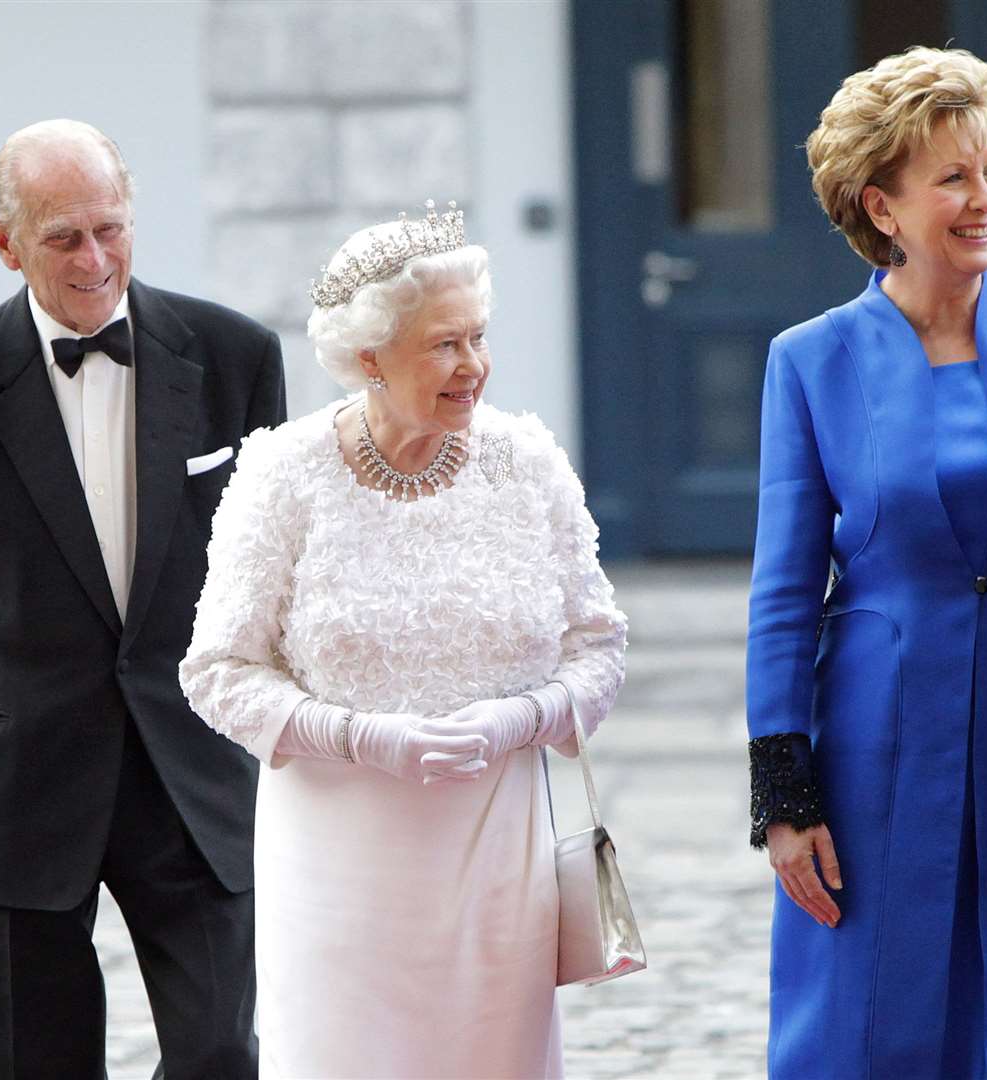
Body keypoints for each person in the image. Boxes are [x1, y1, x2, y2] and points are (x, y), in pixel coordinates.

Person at [0, 119, 285, 1076]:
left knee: (222, 1051)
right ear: (5, 242)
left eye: (111, 228)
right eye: (62, 237)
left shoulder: (236, 357)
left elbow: (266, 557)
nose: (95, 259)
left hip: (192, 766)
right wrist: (7, 695)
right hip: (20, 778)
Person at [179, 202, 627, 1079]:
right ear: (371, 357)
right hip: (338, 854)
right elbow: (218, 669)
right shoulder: (283, 473)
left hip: (498, 852)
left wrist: (519, 719)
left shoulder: (527, 461)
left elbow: (600, 648)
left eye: (479, 338)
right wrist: (356, 734)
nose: (475, 367)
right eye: (445, 345)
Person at [744, 47, 987, 1079]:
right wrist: (783, 792)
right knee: (865, 1013)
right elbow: (784, 593)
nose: (985, 198)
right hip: (878, 738)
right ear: (882, 205)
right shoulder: (810, 359)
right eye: (952, 177)